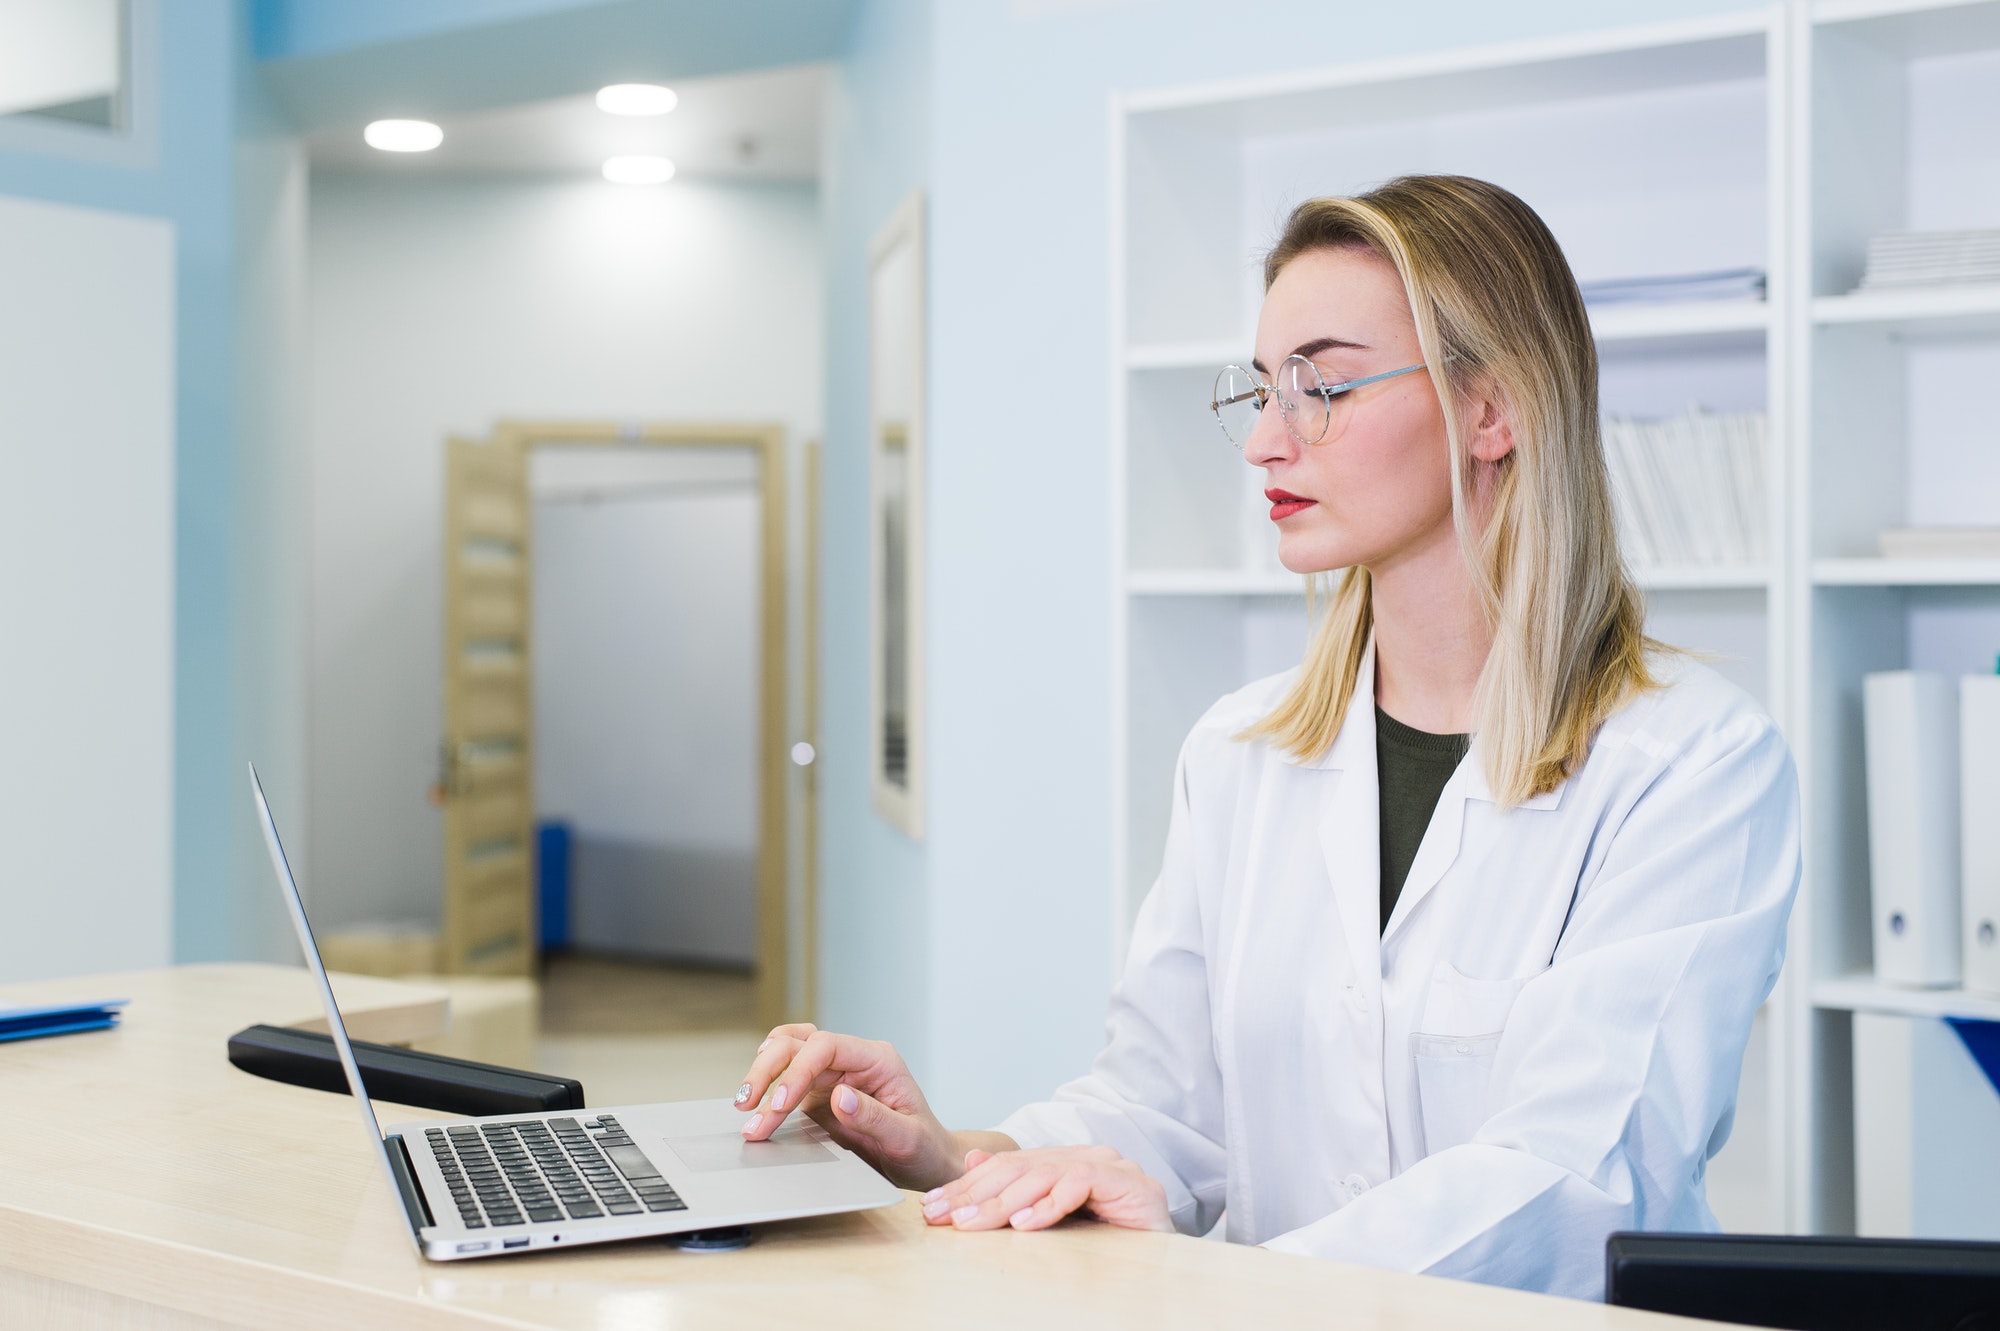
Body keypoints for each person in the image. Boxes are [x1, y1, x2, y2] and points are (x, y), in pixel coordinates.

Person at [732, 174, 1800, 1300]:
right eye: (1261, 392)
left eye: (1322, 387)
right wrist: (958, 1158)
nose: (1264, 444)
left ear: (1494, 410)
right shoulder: (1237, 748)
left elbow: (1574, 1174)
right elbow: (1163, 1108)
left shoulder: (1689, 763)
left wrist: (1221, 1281)